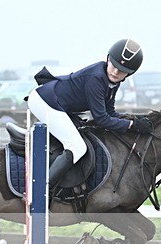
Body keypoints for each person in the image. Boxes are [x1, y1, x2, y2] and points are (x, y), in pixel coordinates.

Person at [27, 38, 153, 185]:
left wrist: (135, 120)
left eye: (122, 70)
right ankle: (41, 188)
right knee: (77, 147)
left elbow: (110, 113)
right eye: (114, 65)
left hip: (56, 102)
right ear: (108, 59)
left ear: (129, 74)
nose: (116, 71)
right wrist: (132, 125)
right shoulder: (96, 78)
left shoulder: (112, 81)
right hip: (45, 101)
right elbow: (102, 119)